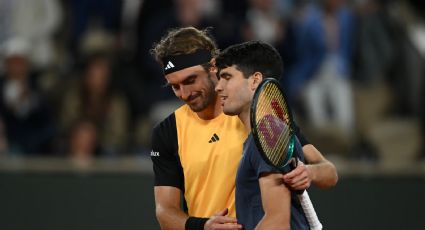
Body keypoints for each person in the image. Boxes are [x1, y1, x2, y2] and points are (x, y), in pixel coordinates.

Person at [150, 27, 338, 230]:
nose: (184, 93)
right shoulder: (167, 132)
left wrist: (309, 173)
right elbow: (165, 212)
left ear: (213, 67)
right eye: (175, 86)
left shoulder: (262, 117)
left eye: (190, 80)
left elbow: (328, 172)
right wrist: (204, 227)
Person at [215, 40, 312, 229]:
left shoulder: (269, 133)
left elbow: (277, 222)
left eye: (227, 77)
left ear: (255, 80)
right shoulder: (264, 135)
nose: (218, 86)